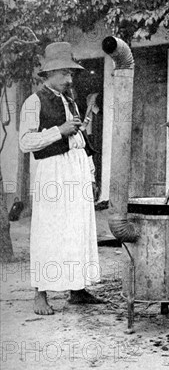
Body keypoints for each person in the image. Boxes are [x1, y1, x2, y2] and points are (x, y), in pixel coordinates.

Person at [19, 42, 103, 315]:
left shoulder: (70, 100)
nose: (70, 79)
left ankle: (76, 289)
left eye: (70, 73)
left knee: (77, 229)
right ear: (50, 73)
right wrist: (59, 130)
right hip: (52, 173)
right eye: (65, 73)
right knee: (50, 229)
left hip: (76, 170)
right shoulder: (34, 102)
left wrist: (90, 173)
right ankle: (40, 294)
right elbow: (25, 142)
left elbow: (80, 138)